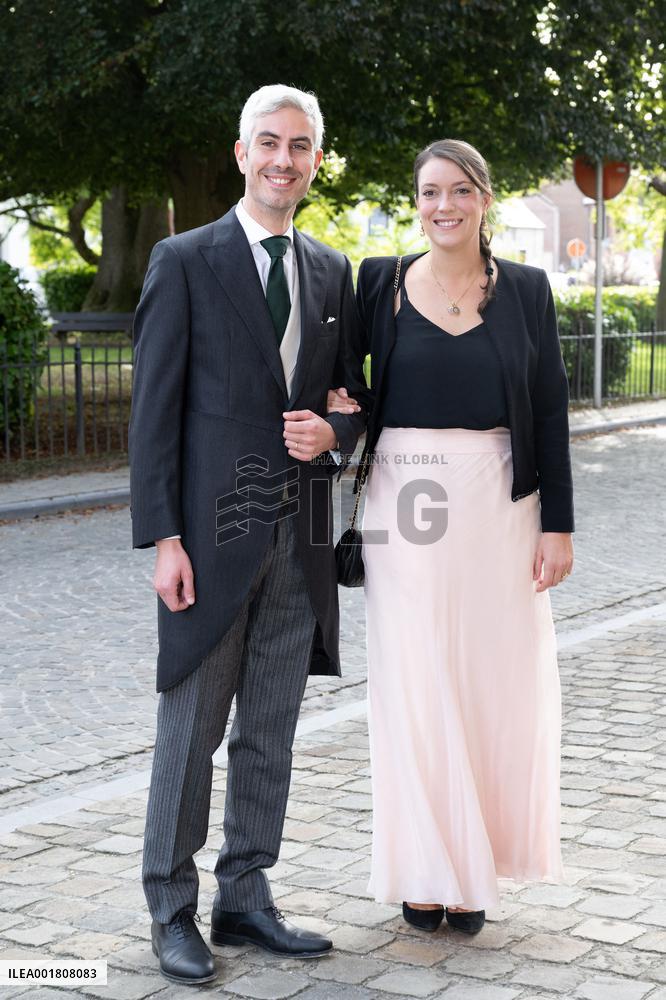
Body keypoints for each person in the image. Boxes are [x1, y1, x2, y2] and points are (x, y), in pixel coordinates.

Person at [129, 84, 369, 985]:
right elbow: (153, 414)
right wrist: (163, 539)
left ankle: (245, 893)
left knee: (270, 727)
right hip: (208, 540)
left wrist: (336, 435)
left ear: (315, 159)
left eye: (300, 145)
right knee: (190, 731)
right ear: (241, 153)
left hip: (300, 535)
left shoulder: (332, 269)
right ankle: (170, 908)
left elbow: (351, 395)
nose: (283, 159)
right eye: (268, 143)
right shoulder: (183, 259)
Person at [329, 139, 574, 934]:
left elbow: (547, 411)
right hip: (406, 494)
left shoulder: (529, 290)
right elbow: (352, 392)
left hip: (501, 506)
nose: (444, 206)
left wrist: (558, 525)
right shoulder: (380, 283)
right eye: (431, 192)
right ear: (417, 200)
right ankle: (424, 867)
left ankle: (471, 873)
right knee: (414, 679)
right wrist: (329, 424)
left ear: (485, 201)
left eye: (461, 191)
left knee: (488, 681)